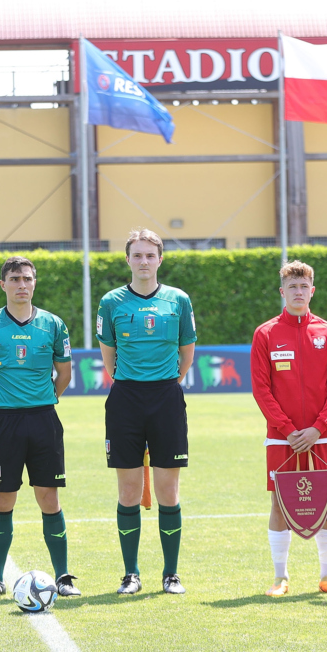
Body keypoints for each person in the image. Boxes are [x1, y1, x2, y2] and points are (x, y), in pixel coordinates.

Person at [0, 256, 79, 599]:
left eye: (27, 279)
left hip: (44, 420)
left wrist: (42, 399)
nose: (21, 284)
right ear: (3, 284)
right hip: (4, 421)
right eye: (14, 278)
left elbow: (64, 374)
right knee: (4, 499)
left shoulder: (53, 324)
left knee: (49, 497)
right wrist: (1, 400)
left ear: (34, 283)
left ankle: (63, 577)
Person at [96, 229, 196, 595]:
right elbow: (109, 356)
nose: (143, 262)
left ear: (160, 259)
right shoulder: (111, 302)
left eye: (150, 256)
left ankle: (171, 574)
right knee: (129, 490)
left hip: (167, 398)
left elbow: (187, 352)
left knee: (168, 490)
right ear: (128, 260)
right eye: (137, 255)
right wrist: (132, 381)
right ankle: (131, 573)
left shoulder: (178, 300)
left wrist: (168, 381)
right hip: (125, 399)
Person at [250, 261, 327, 597]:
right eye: (292, 287)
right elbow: (261, 389)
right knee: (279, 503)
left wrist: (318, 428)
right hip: (282, 438)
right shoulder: (265, 333)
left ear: (312, 291)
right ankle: (280, 578)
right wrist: (289, 429)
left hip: (323, 435)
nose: (298, 292)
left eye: (304, 287)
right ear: (282, 292)